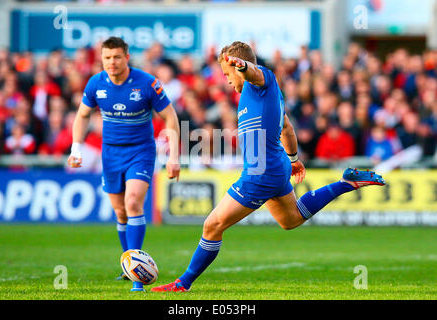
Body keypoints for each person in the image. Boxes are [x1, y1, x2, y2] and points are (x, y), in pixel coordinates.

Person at [151, 41, 385, 292]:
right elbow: (287, 128)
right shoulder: (261, 98)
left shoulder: (261, 82)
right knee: (291, 219)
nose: (227, 79)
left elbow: (254, 73)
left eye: (227, 73)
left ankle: (182, 283)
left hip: (260, 173)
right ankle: (345, 183)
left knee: (212, 225)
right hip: (276, 166)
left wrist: (243, 67)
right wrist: (293, 159)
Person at [67, 37, 180, 292]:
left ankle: (138, 277)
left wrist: (173, 156)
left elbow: (170, 117)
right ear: (101, 58)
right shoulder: (96, 83)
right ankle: (129, 265)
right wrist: (76, 148)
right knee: (120, 212)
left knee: (132, 203)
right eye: (107, 57)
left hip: (141, 151)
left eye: (117, 57)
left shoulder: (147, 83)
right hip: (111, 154)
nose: (112, 62)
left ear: (126, 58)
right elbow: (82, 115)